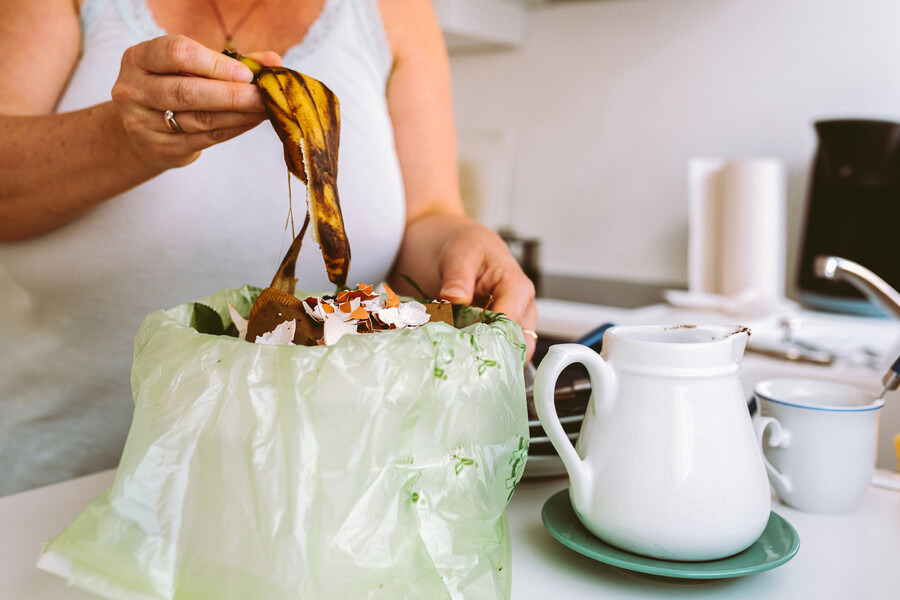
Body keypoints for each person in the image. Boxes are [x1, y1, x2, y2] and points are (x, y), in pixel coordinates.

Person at [0, 0, 537, 497]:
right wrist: (125, 139)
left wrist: (460, 242)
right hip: (53, 484)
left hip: (309, 488)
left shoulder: (398, 11)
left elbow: (428, 214)